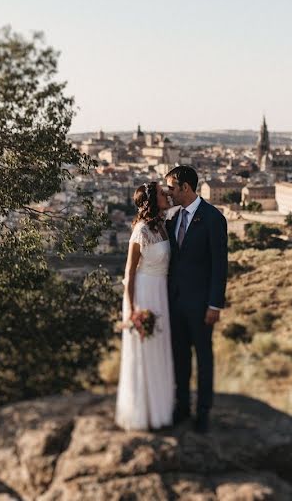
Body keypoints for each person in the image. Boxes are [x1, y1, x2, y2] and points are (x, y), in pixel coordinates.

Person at [165, 165, 228, 434]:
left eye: (171, 188)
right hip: (175, 302)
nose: (168, 193)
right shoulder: (172, 217)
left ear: (185, 188)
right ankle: (182, 407)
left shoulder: (214, 218)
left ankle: (203, 412)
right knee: (180, 357)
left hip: (201, 303)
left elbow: (219, 265)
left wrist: (215, 304)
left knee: (203, 359)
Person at [115, 181, 176, 430]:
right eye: (162, 193)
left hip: (160, 291)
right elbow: (129, 272)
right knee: (147, 347)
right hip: (145, 292)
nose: (166, 195)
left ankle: (160, 409)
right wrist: (132, 310)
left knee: (160, 346)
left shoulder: (162, 224)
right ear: (152, 200)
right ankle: (144, 413)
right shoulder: (140, 230)